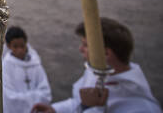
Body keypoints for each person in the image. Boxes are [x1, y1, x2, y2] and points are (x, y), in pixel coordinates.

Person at [32, 18, 162, 113]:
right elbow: (79, 102)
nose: (80, 49)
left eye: (85, 45)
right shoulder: (97, 70)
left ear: (105, 53)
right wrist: (56, 109)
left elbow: (86, 105)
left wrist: (91, 108)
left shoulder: (142, 108)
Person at [2, 26, 51, 113]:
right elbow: (9, 97)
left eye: (22, 46)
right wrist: (34, 97)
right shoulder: (6, 66)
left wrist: (25, 99)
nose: (20, 50)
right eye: (15, 46)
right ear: (9, 46)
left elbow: (46, 92)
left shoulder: (35, 64)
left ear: (26, 43)